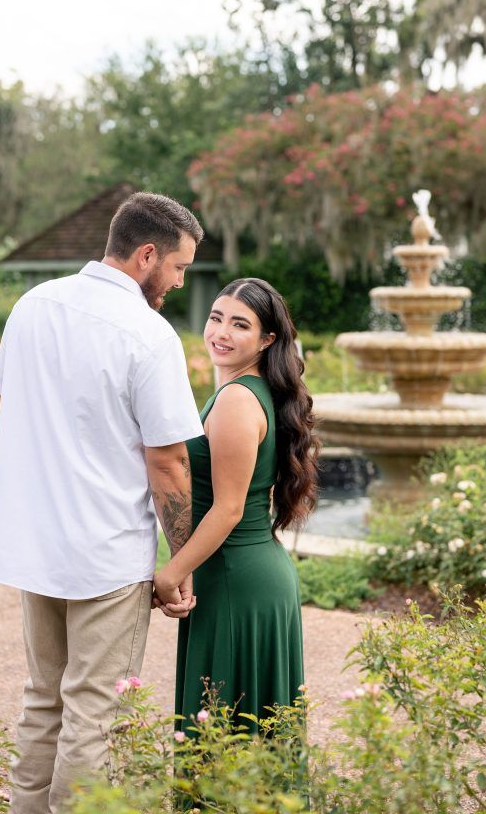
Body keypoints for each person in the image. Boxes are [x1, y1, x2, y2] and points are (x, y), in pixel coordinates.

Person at [0, 192, 205, 814]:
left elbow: (2, 406)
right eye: (179, 266)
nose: (179, 279)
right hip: (104, 554)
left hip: (34, 544)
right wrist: (182, 564)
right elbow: (167, 462)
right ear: (145, 255)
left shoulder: (33, 305)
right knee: (92, 709)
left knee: (42, 697)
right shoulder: (148, 333)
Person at [153, 277, 318, 727]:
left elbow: (228, 508)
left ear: (267, 339)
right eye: (216, 318)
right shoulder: (251, 392)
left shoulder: (237, 402)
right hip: (245, 573)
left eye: (239, 325)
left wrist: (172, 572)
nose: (221, 333)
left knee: (225, 734)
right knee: (243, 737)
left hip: (234, 581)